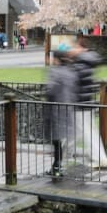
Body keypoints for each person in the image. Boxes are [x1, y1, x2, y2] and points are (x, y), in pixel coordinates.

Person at [64, 37, 107, 169]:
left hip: (80, 103)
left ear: (81, 48)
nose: (72, 50)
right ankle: (66, 152)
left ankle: (100, 159)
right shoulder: (85, 62)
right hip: (85, 102)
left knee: (88, 132)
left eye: (74, 47)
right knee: (79, 130)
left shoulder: (80, 64)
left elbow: (72, 82)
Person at [44, 42, 73, 177]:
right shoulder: (69, 72)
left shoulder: (55, 72)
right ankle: (57, 165)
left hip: (55, 110)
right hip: (66, 108)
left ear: (55, 59)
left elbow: (51, 89)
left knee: (56, 140)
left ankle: (57, 167)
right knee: (59, 140)